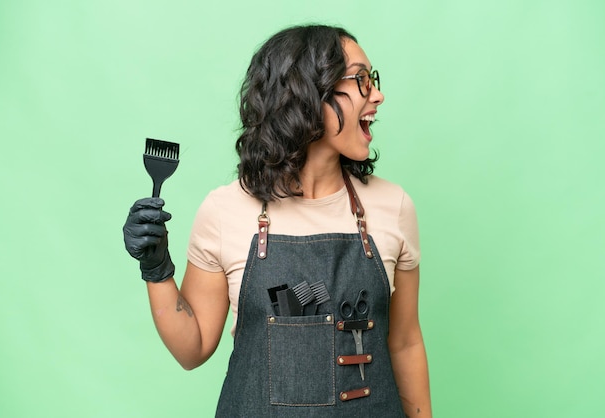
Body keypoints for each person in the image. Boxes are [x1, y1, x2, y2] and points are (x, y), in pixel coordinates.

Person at [123, 24, 432, 417]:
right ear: (306, 93)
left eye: (372, 79)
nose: (378, 94)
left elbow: (404, 343)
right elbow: (192, 348)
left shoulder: (393, 206)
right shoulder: (224, 210)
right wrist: (156, 268)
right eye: (359, 80)